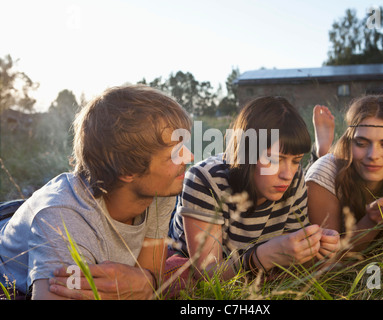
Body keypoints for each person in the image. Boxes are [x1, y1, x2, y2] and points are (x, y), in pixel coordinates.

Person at [0, 85, 193, 299]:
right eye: (176, 153)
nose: (190, 157)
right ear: (127, 169)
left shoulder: (160, 193)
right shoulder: (62, 219)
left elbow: (147, 279)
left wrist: (149, 281)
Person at [168, 96, 340, 280]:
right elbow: (207, 274)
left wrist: (317, 248)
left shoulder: (294, 178)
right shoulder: (204, 179)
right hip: (185, 260)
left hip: (246, 268)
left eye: (296, 161)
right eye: (274, 160)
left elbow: (290, 263)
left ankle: (319, 152)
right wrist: (261, 258)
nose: (287, 174)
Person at [305, 94, 383, 252]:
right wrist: (371, 222)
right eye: (361, 143)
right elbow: (325, 264)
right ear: (348, 143)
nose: (373, 155)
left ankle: (323, 149)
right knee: (322, 165)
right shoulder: (323, 176)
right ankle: (322, 152)